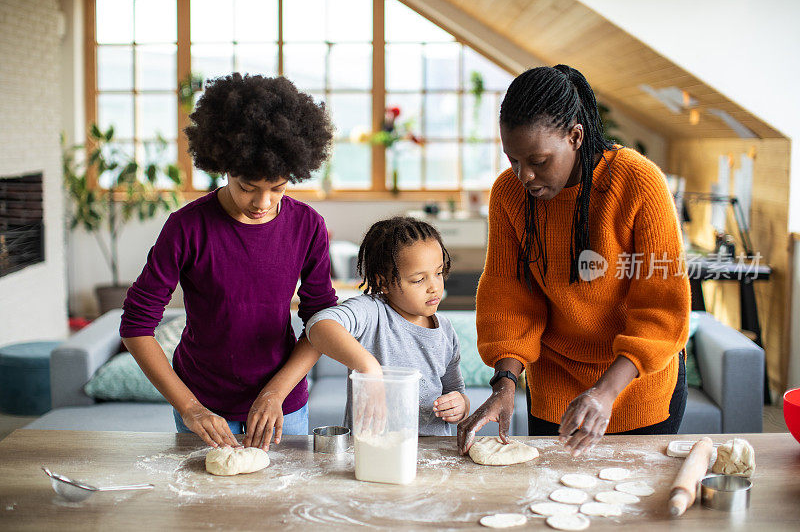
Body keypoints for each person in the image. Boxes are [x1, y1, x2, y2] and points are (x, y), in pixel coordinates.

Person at [457, 65, 690, 457]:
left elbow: (661, 309)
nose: (524, 175)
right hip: (556, 389)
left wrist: (605, 391)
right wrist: (505, 383)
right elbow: (510, 299)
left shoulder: (637, 182)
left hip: (635, 383)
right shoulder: (509, 194)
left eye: (539, 160)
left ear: (576, 136)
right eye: (513, 159)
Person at [120, 74, 337, 450]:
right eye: (247, 188)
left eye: (278, 189)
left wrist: (275, 394)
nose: (263, 203)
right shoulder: (187, 227)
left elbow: (321, 322)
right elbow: (137, 325)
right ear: (224, 166)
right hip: (203, 407)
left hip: (282, 407)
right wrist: (190, 408)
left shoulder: (307, 225)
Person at [305, 216, 469, 436]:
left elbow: (456, 392)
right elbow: (319, 324)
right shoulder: (371, 312)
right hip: (375, 451)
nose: (434, 287)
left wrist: (461, 406)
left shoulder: (446, 330)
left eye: (438, 273)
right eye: (418, 279)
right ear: (383, 282)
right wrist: (368, 367)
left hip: (433, 454)